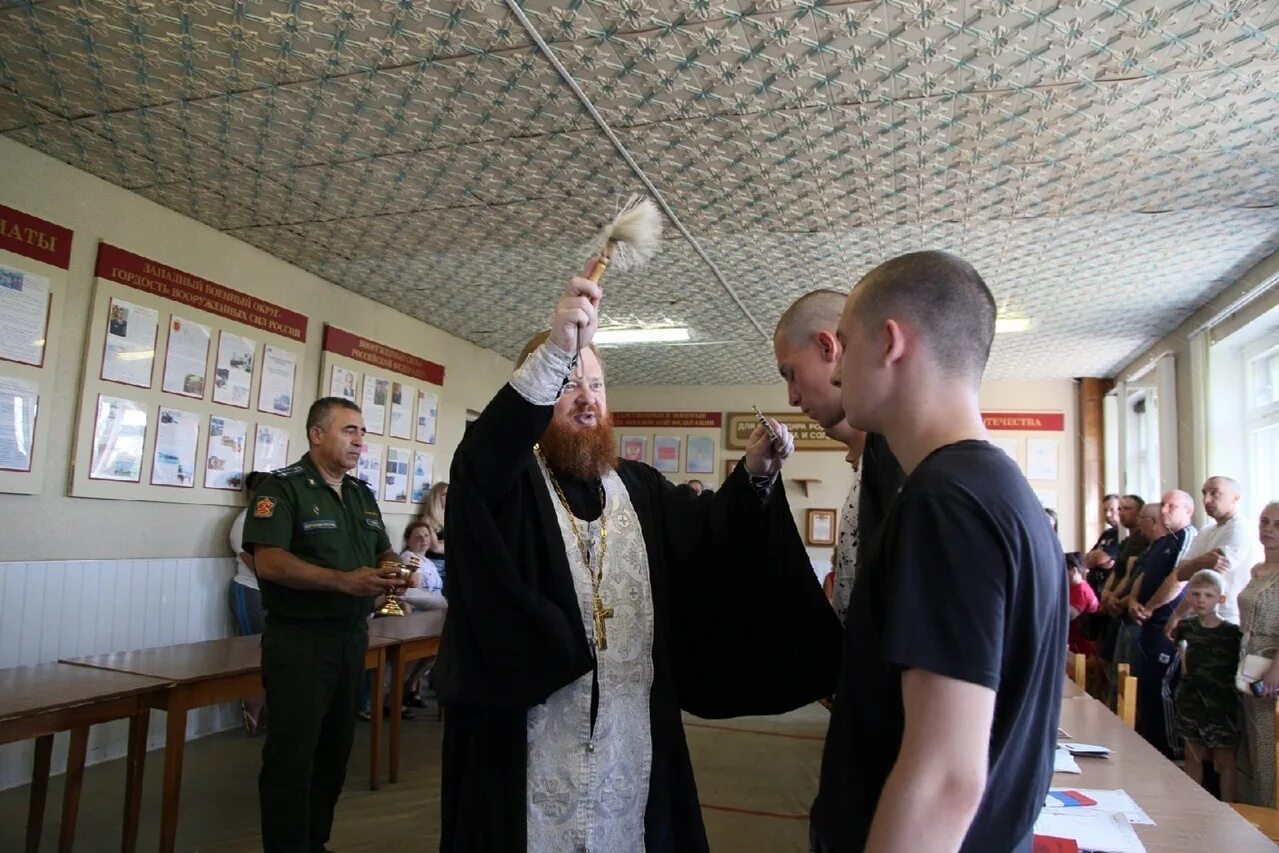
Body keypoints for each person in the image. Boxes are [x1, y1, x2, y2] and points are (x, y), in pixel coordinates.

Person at [432, 272, 841, 851]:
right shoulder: (511, 486)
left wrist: (752, 474)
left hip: (632, 731)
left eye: (596, 385)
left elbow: (709, 544)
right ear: (537, 394)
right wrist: (557, 348)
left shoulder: (639, 487)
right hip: (527, 737)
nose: (586, 398)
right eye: (568, 383)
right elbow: (479, 464)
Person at [813, 251, 1066, 852]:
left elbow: (946, 779)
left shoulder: (945, 502)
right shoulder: (1000, 490)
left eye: (845, 345)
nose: (838, 373)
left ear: (891, 343)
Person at [242, 397, 404, 853]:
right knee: (292, 756)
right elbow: (270, 563)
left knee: (334, 753)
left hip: (352, 639)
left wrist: (393, 570)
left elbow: (381, 549)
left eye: (362, 432)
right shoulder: (283, 489)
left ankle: (315, 842)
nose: (360, 441)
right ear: (317, 434)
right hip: (301, 640)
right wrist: (341, 581)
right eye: (349, 430)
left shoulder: (360, 494)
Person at [773, 288, 905, 624]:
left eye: (791, 374)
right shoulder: (874, 462)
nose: (791, 397)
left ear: (827, 347)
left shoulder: (904, 464)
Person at [1128, 490, 1197, 758]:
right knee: (1146, 685)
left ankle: (1169, 753)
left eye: (1172, 506)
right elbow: (1142, 575)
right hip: (1146, 623)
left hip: (1166, 624)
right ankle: (1150, 746)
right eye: (1164, 505)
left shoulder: (1187, 537)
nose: (1165, 510)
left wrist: (1151, 607)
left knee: (1162, 688)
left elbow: (1177, 579)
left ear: (1188, 511)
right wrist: (1134, 600)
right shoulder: (1160, 541)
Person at [1172, 569, 1242, 802]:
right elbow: (1181, 657)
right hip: (1191, 701)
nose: (1202, 600)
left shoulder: (1232, 633)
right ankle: (1194, 805)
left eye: (1209, 595)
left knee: (1225, 761)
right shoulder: (1186, 627)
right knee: (1193, 756)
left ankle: (1230, 809)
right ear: (1189, 597)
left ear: (1221, 599)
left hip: (1222, 705)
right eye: (1196, 594)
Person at [1159, 476, 1257, 634]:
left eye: (1214, 493)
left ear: (1235, 497)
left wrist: (1195, 565)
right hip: (1199, 618)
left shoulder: (1240, 529)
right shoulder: (1206, 531)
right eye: (1204, 493)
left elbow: (1208, 579)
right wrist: (1201, 563)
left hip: (1228, 618)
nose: (1206, 500)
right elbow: (1181, 573)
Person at [1237, 501, 1279, 806]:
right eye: (1265, 522)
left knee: (1267, 747)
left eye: (1277, 525)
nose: (1268, 529)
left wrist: (1276, 670)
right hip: (1248, 661)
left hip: (1271, 667)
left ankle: (1270, 815)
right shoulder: (1257, 570)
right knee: (1249, 745)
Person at [228, 470, 270, 733]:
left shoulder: (270, 520)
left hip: (272, 596)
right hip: (250, 591)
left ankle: (266, 711)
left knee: (271, 654)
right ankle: (252, 710)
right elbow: (259, 566)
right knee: (252, 653)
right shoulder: (244, 522)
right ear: (251, 494)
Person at [1067, 552, 1099, 655]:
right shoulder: (1072, 587)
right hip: (1071, 641)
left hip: (1080, 647)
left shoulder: (1082, 590)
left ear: (1074, 570)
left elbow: (1070, 615)